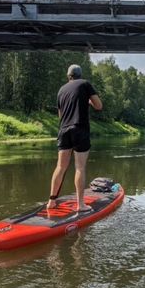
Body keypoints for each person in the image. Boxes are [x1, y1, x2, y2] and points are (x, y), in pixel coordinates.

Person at [47, 64, 102, 212]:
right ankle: (80, 205)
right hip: (79, 128)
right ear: (80, 75)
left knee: (60, 166)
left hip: (63, 129)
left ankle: (51, 202)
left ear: (68, 76)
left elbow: (60, 115)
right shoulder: (85, 84)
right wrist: (88, 101)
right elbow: (98, 105)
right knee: (80, 167)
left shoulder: (61, 90)